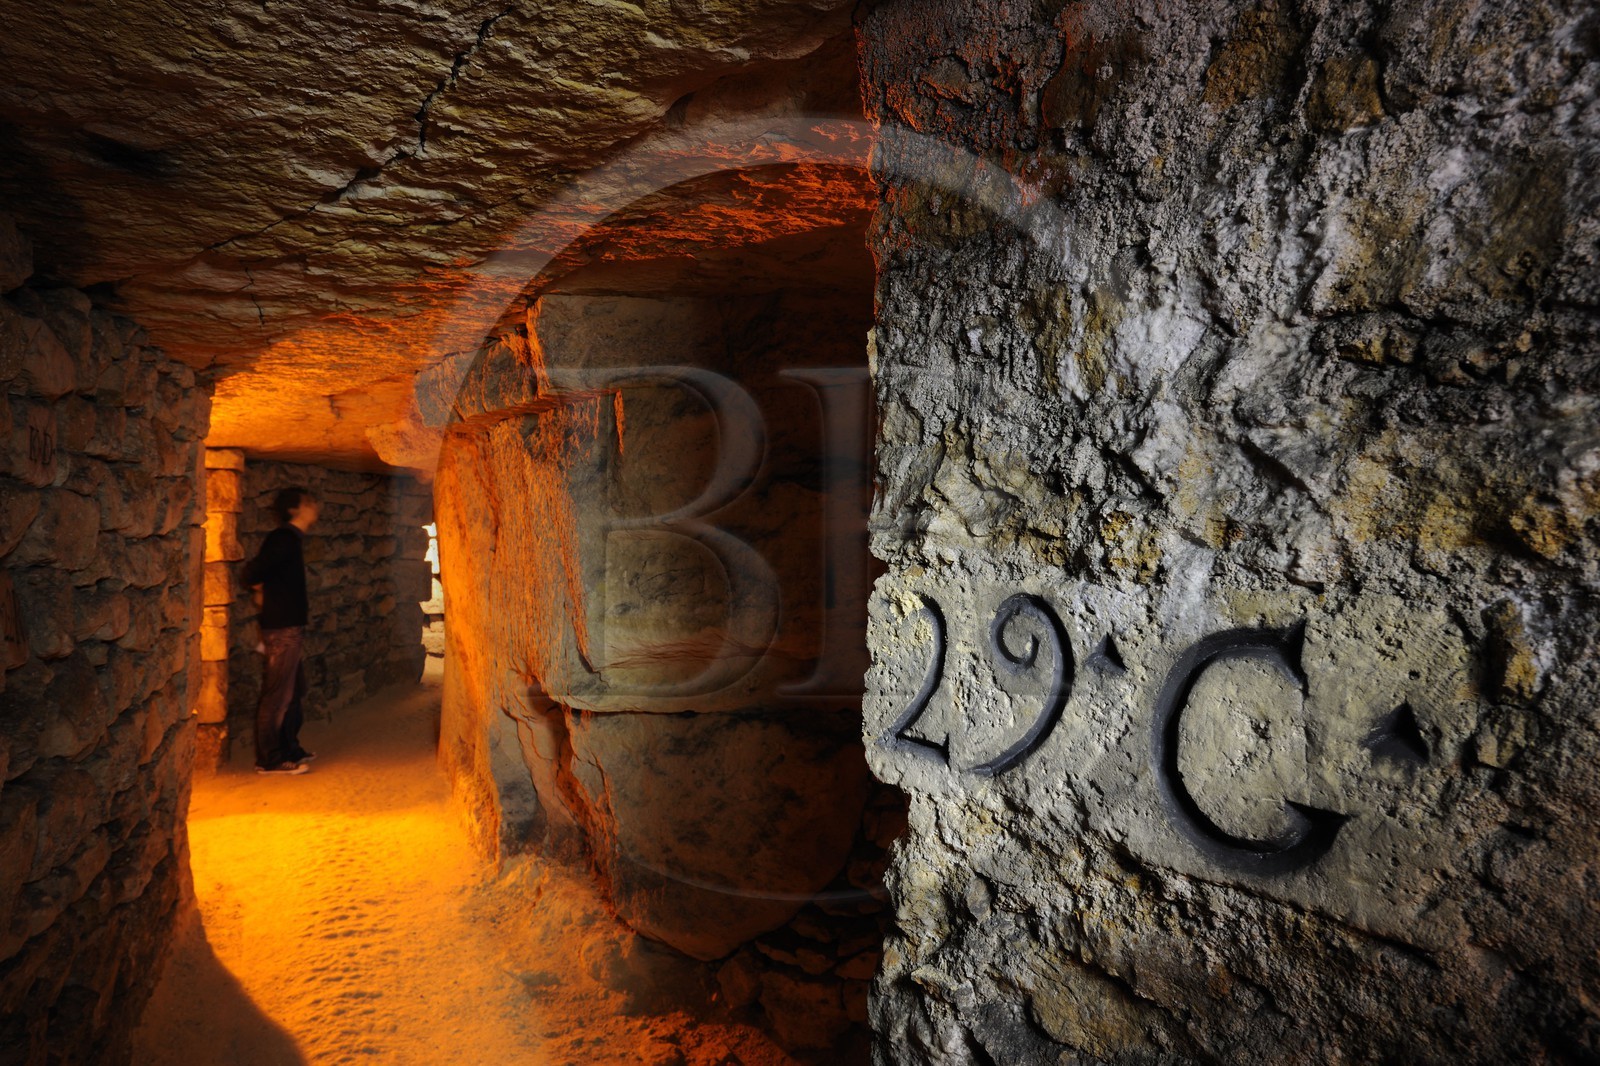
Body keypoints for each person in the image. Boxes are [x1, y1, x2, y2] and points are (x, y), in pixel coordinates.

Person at [243, 486, 320, 775]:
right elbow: (251, 572)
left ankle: (290, 748)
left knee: (294, 690)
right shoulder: (283, 539)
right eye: (309, 501)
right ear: (294, 509)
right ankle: (270, 760)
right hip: (282, 629)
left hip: (289, 627)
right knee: (278, 694)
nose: (315, 506)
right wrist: (260, 590)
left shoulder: (291, 540)